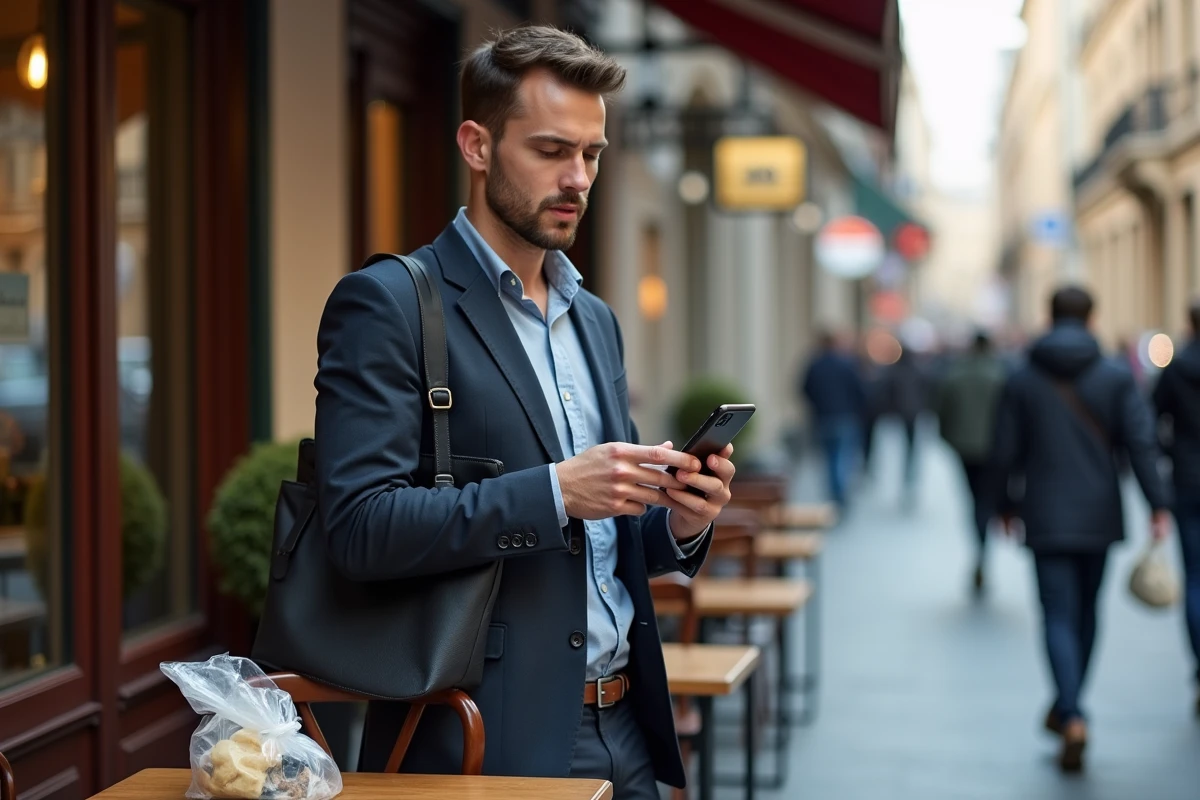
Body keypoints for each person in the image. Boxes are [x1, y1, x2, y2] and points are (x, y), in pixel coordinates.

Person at [312, 26, 735, 796]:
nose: (578, 178)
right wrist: (554, 492)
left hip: (629, 728)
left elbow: (606, 543)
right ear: (477, 146)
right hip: (483, 738)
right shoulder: (388, 304)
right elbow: (359, 530)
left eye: (593, 154)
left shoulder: (595, 320)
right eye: (551, 150)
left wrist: (679, 521)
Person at [990, 286, 1172, 772]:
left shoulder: (1022, 377)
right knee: (1087, 612)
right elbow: (1140, 442)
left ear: (1049, 317)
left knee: (1056, 614)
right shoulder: (1115, 375)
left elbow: (1003, 449)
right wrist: (1158, 503)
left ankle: (1069, 712)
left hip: (1044, 511)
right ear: (1092, 318)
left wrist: (1003, 505)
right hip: (1098, 511)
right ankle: (1071, 708)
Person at [1153, 300, 1200, 714]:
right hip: (1185, 477)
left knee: (1195, 578)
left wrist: (1171, 451)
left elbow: (1152, 418)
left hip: (1188, 479)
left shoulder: (1176, 368)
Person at [935, 332, 1007, 593]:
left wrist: (950, 440)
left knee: (975, 500)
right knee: (985, 500)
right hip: (994, 450)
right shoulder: (1000, 375)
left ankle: (980, 546)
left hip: (965, 448)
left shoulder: (956, 375)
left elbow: (941, 412)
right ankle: (982, 546)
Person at [800, 331, 866, 510]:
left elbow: (805, 389)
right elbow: (860, 390)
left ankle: (835, 491)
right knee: (843, 455)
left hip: (823, 417)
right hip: (845, 416)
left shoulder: (815, 365)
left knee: (830, 457)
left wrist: (817, 405)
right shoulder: (846, 364)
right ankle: (839, 492)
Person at [879, 344, 929, 508]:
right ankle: (910, 477)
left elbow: (887, 392)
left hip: (901, 414)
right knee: (911, 447)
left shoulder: (895, 372)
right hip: (913, 414)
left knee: (904, 447)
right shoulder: (917, 370)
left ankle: (907, 477)